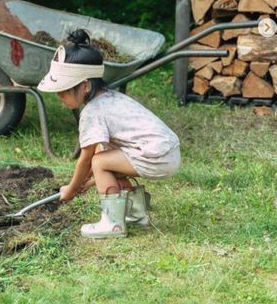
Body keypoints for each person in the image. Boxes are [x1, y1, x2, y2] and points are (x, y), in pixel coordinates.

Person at [37, 29, 180, 239]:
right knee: (106, 157)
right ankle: (137, 214)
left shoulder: (92, 112)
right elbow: (104, 152)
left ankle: (113, 224)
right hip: (168, 153)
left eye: (64, 91)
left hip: (155, 156)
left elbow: (86, 159)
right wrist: (88, 181)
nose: (60, 96)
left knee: (99, 161)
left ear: (85, 85)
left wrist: (72, 189)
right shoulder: (111, 98)